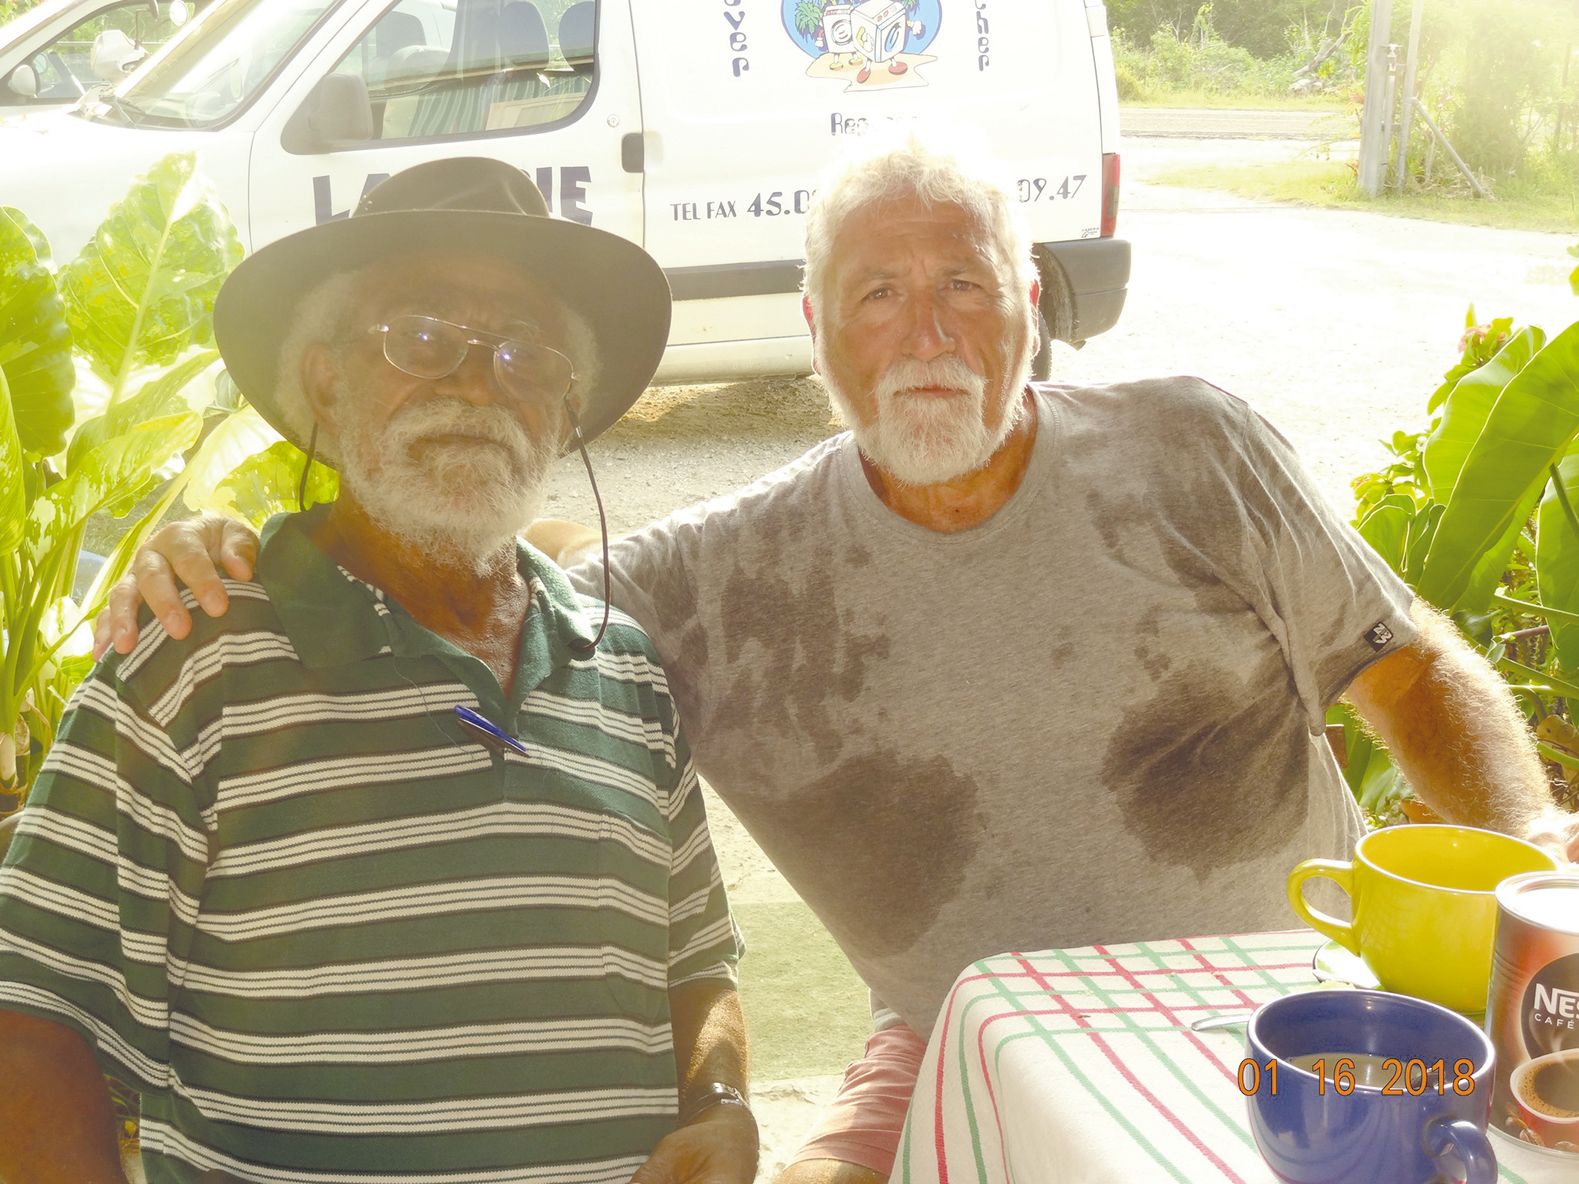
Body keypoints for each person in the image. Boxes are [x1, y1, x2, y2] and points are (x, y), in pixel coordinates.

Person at [96, 136, 1579, 1184]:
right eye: (875, 292)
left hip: (1292, 1009)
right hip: (947, 1040)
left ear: (1032, 312)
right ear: (815, 334)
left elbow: (1412, 670)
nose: (922, 327)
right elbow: (460, 561)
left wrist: (1519, 869)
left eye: (964, 283)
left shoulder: (1192, 445)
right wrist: (227, 543)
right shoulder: (714, 575)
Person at [0, 158, 757, 1184]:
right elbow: (31, 1026)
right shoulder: (193, 662)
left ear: (566, 408)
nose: (476, 379)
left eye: (523, 351)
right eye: (420, 336)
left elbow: (696, 962)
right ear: (324, 379)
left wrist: (719, 1098)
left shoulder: (620, 669)